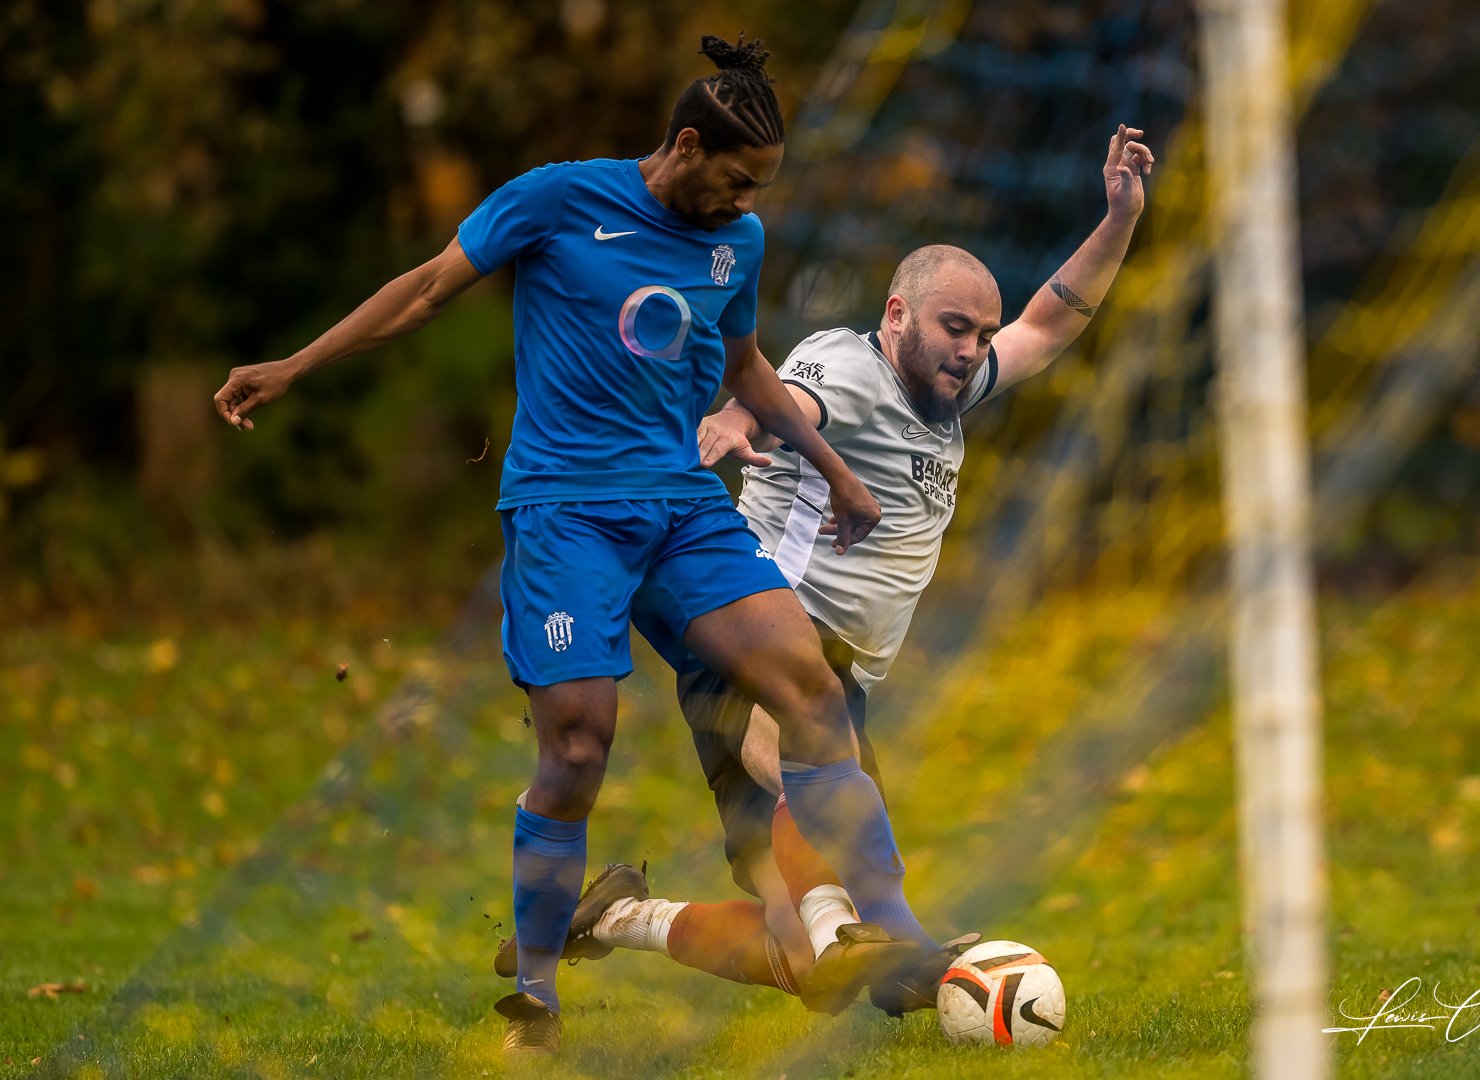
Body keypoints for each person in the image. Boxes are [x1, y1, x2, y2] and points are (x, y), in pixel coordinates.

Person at [212, 35, 939, 1057]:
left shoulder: (741, 241)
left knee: (810, 692)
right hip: (566, 514)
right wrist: (298, 363)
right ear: (686, 146)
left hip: (684, 509)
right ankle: (540, 994)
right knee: (578, 747)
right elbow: (424, 290)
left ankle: (899, 940)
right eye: (736, 179)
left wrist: (834, 468)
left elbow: (745, 364)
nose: (746, 202)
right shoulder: (556, 201)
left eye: (760, 187)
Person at [508, 124, 1156, 1016]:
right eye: (952, 328)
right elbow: (788, 400)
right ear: (897, 316)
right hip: (763, 641)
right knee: (811, 791)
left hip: (841, 679)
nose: (970, 350)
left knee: (816, 976)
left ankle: (620, 914)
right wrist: (739, 424)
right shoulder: (847, 365)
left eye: (979, 335)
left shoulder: (952, 390)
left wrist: (1119, 217)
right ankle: (895, 941)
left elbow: (1050, 323)